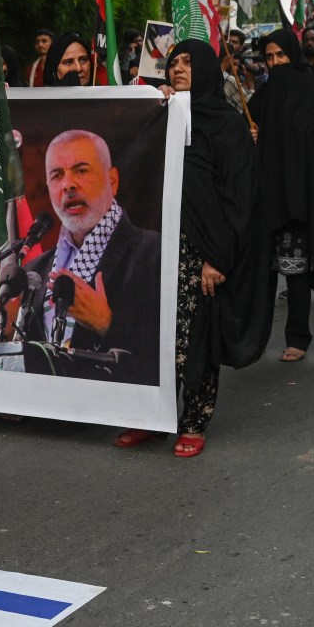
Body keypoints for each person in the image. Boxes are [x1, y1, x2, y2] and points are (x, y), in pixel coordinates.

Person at [117, 39, 272, 457]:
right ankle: (153, 417)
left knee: (194, 336)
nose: (178, 69)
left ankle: (194, 421)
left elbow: (240, 196)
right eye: (173, 64)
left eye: (187, 63)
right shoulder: (163, 115)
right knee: (152, 336)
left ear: (204, 69)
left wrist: (217, 257)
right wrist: (151, 104)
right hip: (156, 249)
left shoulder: (227, 123)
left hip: (201, 250)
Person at [20, 130, 161, 385]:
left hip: (114, 413)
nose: (68, 184)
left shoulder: (155, 253)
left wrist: (107, 323)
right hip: (45, 414)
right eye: (57, 175)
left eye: (81, 170)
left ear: (113, 181)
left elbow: (172, 348)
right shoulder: (35, 270)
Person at [248, 29, 314, 362]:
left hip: (298, 198)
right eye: (269, 57)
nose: (276, 62)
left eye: (281, 55)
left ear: (292, 54)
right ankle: (255, 339)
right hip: (266, 197)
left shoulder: (311, 92)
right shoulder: (261, 97)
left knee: (295, 272)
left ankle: (297, 338)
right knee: (261, 274)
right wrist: (251, 134)